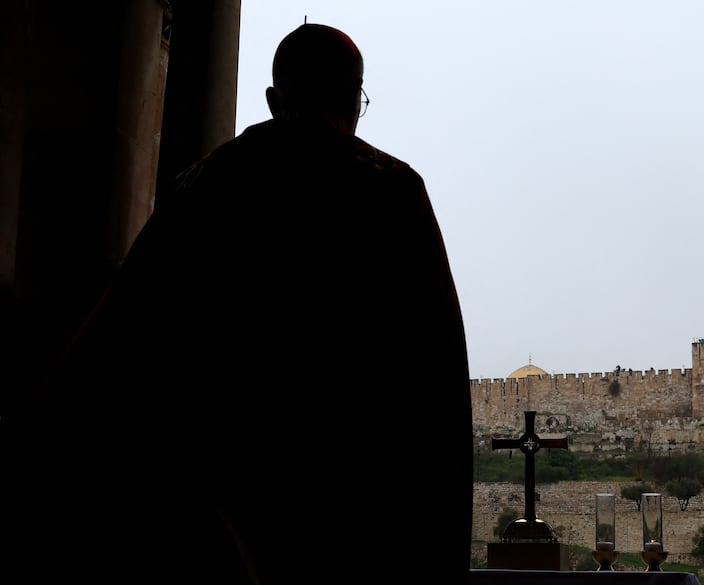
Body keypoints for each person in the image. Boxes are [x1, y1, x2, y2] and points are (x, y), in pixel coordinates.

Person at [20, 22, 473, 584]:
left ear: (274, 100)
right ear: (353, 101)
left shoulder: (202, 187)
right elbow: (435, 384)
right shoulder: (392, 192)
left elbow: (107, 355)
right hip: (355, 521)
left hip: (210, 519)